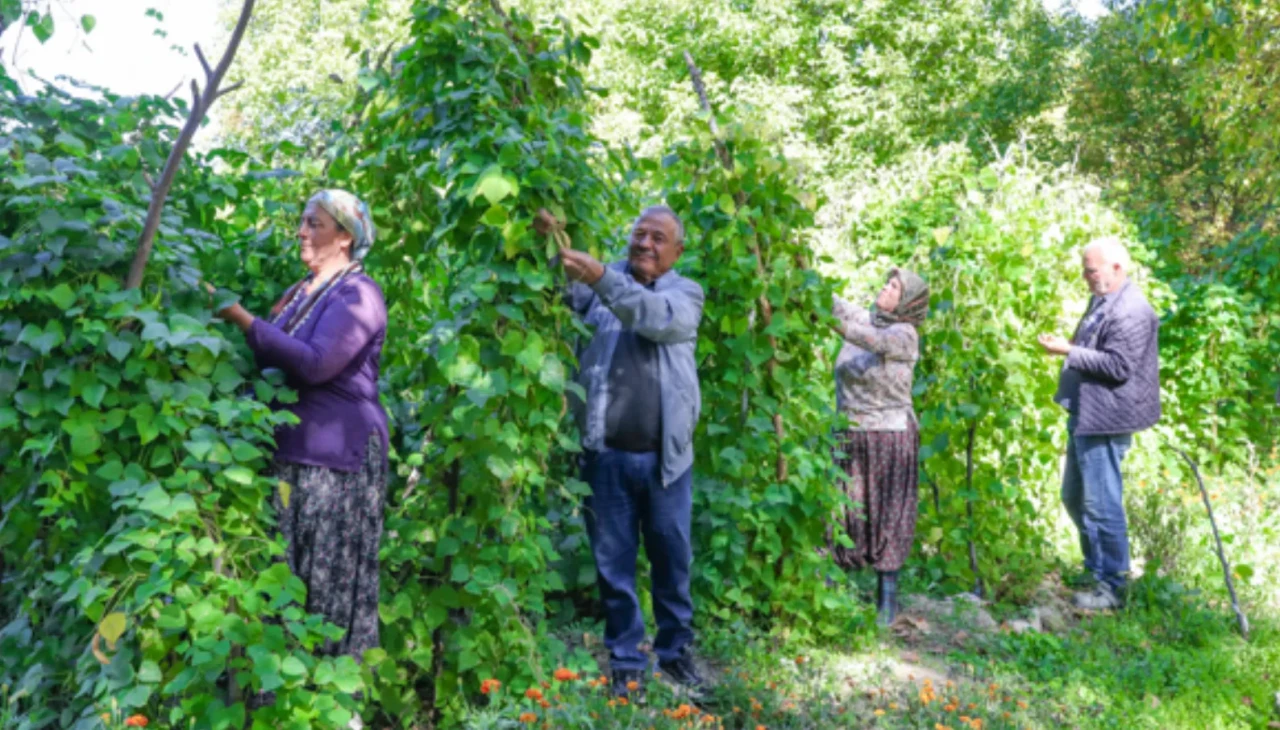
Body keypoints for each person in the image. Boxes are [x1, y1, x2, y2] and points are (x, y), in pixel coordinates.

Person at [212, 189, 389, 665]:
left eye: (315, 224)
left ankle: (332, 699)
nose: (301, 232)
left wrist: (243, 320)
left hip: (335, 462)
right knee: (285, 587)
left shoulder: (359, 294)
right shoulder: (304, 292)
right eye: (303, 221)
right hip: (292, 458)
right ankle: (287, 702)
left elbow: (314, 365)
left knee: (325, 588)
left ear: (346, 238)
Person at [536, 206, 704, 700]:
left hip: (666, 461)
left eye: (658, 238)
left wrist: (599, 275)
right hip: (605, 456)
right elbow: (560, 287)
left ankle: (675, 655)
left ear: (677, 252)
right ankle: (627, 663)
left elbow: (652, 318)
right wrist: (549, 241)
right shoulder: (599, 290)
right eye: (639, 235)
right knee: (614, 567)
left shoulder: (683, 294)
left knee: (672, 562)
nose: (645, 244)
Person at [1038, 237, 1160, 610]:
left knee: (1102, 503)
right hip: (1086, 413)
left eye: (1091, 270)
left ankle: (1113, 587)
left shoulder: (1132, 311)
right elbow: (1097, 343)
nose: (1085, 277)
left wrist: (1068, 351)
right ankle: (1097, 571)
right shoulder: (1104, 299)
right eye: (1085, 269)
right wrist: (1073, 342)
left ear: (1117, 268)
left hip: (1107, 417)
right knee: (1074, 497)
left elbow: (1119, 366)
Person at [829, 269, 929, 627]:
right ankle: (830, 594)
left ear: (907, 302)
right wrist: (804, 276)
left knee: (888, 513)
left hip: (888, 435)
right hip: (850, 430)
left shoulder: (905, 335)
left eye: (894, 287)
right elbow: (835, 303)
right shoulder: (867, 317)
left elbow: (871, 340)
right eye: (886, 283)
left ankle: (887, 600)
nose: (885, 289)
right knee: (842, 511)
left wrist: (833, 324)